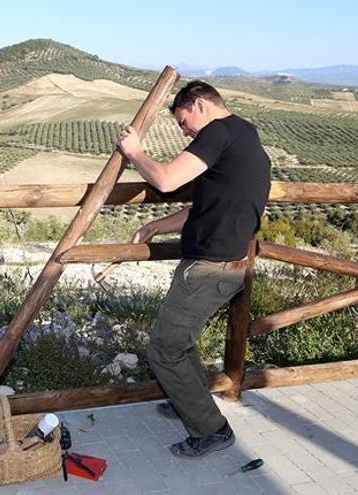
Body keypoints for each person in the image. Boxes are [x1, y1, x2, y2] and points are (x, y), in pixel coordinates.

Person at [116, 80, 271, 458]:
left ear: (200, 105)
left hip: (211, 267)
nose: (184, 130)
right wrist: (157, 225)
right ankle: (190, 400)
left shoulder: (218, 131)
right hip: (225, 262)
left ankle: (211, 429)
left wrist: (136, 152)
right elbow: (204, 207)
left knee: (164, 349)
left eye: (184, 121)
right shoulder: (243, 133)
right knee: (179, 342)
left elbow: (166, 180)